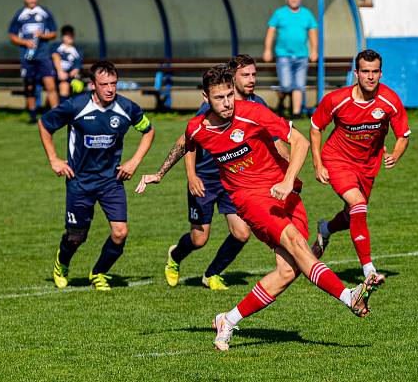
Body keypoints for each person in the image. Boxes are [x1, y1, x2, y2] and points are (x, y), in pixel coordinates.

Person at [135, 65, 378, 351]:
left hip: (283, 192)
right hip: (250, 198)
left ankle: (228, 318)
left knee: (288, 272)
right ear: (205, 98)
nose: (226, 103)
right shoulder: (198, 127)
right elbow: (185, 143)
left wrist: (288, 181)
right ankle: (349, 296)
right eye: (218, 98)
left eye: (229, 95)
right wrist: (160, 174)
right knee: (297, 243)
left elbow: (298, 141)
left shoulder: (252, 113)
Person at [163, 55, 288, 290]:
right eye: (245, 75)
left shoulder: (257, 104)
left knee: (241, 233)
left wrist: (290, 168)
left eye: (254, 74)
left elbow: (274, 139)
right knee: (200, 238)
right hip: (206, 179)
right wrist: (191, 175)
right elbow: (187, 141)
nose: (251, 80)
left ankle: (212, 273)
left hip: (235, 180)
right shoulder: (214, 104)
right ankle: (175, 257)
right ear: (233, 78)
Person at [39, 61, 155, 291]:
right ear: (92, 85)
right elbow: (45, 125)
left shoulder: (127, 108)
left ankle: (98, 272)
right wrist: (53, 158)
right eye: (104, 84)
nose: (110, 89)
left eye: (113, 83)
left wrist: (134, 162)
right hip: (79, 181)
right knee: (76, 237)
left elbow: (148, 131)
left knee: (120, 232)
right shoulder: (75, 106)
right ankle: (62, 263)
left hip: (111, 181)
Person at [309, 49, 411, 284]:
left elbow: (403, 135)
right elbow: (316, 127)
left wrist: (395, 154)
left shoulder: (389, 100)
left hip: (368, 166)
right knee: (358, 204)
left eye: (375, 71)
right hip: (338, 160)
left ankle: (326, 229)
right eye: (365, 71)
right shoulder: (337, 100)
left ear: (381, 73)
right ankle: (368, 269)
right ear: (356, 73)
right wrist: (318, 163)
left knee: (353, 214)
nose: (370, 77)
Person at [263, 0, 318, 119]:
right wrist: (267, 49)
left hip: (302, 56)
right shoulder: (279, 13)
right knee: (286, 85)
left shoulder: (306, 14)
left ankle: (296, 113)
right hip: (283, 55)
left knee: (299, 85)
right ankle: (281, 102)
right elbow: (271, 31)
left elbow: (313, 32)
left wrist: (314, 50)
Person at [8, 0, 59, 123]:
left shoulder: (44, 13)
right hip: (27, 57)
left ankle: (55, 114)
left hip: (43, 56)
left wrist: (42, 35)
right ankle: (32, 116)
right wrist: (25, 42)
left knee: (50, 84)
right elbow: (12, 36)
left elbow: (54, 33)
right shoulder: (20, 14)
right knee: (29, 85)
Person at [51, 25, 84, 101]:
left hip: (69, 77)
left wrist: (67, 76)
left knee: (64, 84)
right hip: (54, 74)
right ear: (63, 36)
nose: (69, 37)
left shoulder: (78, 50)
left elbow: (76, 68)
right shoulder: (56, 47)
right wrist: (60, 72)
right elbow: (55, 57)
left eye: (71, 34)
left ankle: (63, 110)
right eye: (67, 35)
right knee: (52, 82)